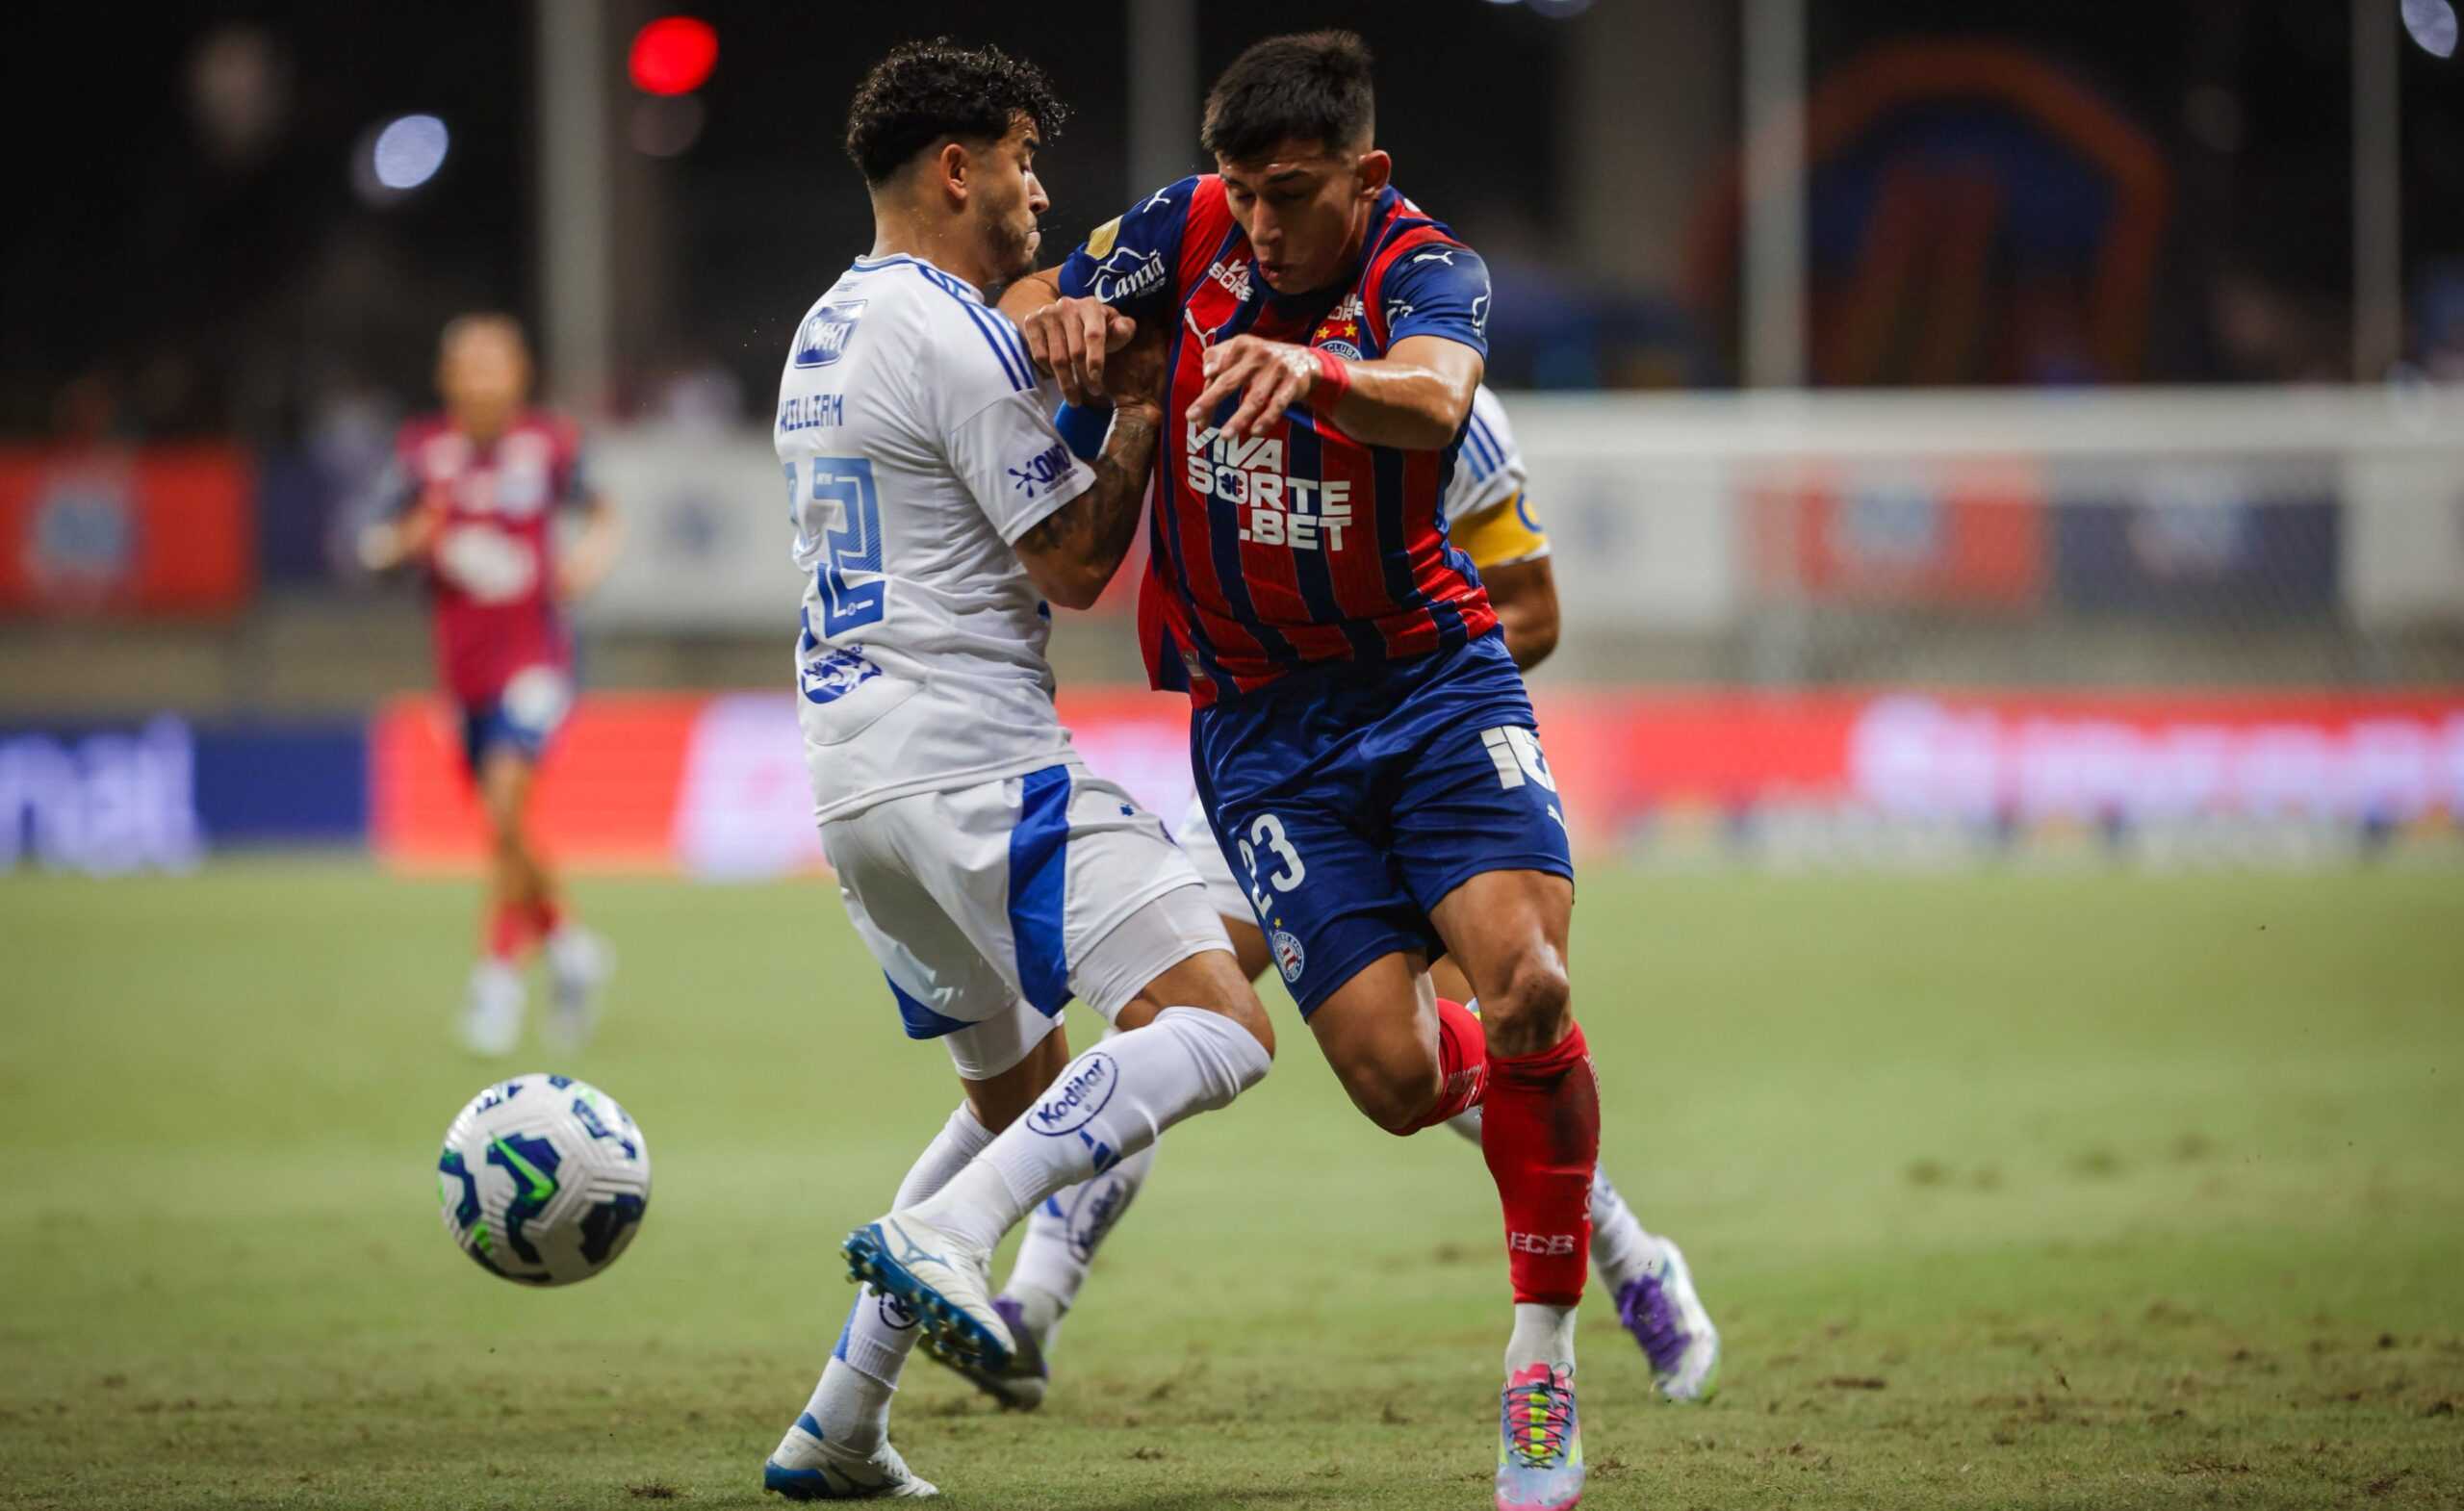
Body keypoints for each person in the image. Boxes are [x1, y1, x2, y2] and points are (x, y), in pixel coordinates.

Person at [996, 32, 1606, 1510]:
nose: (1261, 224)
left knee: (1526, 981)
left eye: (1291, 194)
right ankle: (1539, 1112)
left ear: (1365, 175)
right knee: (1401, 1080)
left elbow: (1439, 397)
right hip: (1264, 734)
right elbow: (1027, 294)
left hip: (1429, 680)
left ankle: (1541, 1362)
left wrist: (1319, 372)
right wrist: (1059, 323)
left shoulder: (1423, 268)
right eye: (1242, 193)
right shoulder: (1184, 234)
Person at [944, 384, 1721, 1421]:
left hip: (1411, 770)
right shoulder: (1215, 372)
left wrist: (1394, 678)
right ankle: (1032, 1305)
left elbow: (1531, 608)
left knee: (1462, 1053)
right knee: (1160, 1015)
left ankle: (1630, 1261)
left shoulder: (1446, 404)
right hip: (1268, 770)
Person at [757, 40, 1277, 1500]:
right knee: (1223, 1020)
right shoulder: (944, 324)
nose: (1044, 194)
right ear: (955, 170)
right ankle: (950, 1238)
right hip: (974, 758)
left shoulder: (824, 326)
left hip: (854, 784)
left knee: (1022, 1096)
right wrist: (1136, 406)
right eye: (1026, 161)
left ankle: (841, 1420)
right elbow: (1072, 559)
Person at [359, 315, 621, 1056]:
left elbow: (605, 514)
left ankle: (497, 980)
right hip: (463, 675)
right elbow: (371, 544)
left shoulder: (549, 445)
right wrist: (400, 544)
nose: (482, 380)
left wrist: (591, 559)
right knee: (506, 833)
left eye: (494, 365)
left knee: (508, 803)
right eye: (468, 367)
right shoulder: (421, 453)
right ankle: (570, 948)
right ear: (447, 380)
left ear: (520, 374)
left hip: (536, 660)